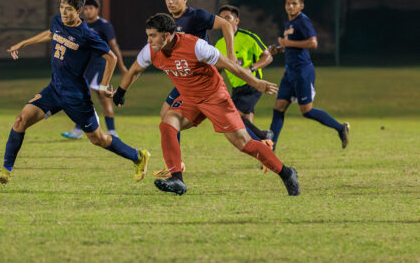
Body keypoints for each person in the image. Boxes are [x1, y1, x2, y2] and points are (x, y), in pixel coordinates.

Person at [113, 13, 300, 196]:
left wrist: (256, 82)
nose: (149, 40)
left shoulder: (196, 46)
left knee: (244, 143)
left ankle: (287, 173)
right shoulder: (151, 50)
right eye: (148, 35)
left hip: (214, 97)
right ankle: (177, 179)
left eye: (152, 36)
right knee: (168, 122)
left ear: (167, 35)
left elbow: (229, 65)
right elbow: (135, 69)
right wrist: (121, 92)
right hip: (190, 99)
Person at [0, 0, 149, 185]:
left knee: (98, 139)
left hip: (76, 96)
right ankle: (5, 172)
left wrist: (105, 85)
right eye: (62, 6)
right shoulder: (57, 21)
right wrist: (23, 44)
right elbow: (50, 33)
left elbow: (111, 57)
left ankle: (138, 156)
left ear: (78, 11)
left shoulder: (86, 35)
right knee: (21, 120)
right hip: (54, 89)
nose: (64, 11)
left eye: (69, 8)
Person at [153, 0, 237, 179]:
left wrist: (231, 57)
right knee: (166, 114)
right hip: (185, 79)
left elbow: (225, 25)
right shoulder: (169, 21)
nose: (170, 2)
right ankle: (175, 165)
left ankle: (176, 165)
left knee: (230, 128)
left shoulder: (196, 15)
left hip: (200, 79)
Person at [268, 0, 349, 150]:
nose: (290, 6)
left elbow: (313, 43)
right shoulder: (289, 23)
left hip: (302, 72)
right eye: (288, 3)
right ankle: (270, 149)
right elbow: (291, 45)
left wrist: (288, 44)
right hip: (289, 72)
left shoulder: (303, 21)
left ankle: (340, 128)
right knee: (278, 108)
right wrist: (279, 49)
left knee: (307, 111)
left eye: (294, 4)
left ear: (301, 6)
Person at [61, 0, 128, 139]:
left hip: (100, 66)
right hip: (85, 66)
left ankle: (111, 131)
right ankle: (79, 129)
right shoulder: (81, 25)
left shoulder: (104, 26)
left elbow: (114, 46)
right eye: (85, 8)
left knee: (102, 97)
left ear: (97, 10)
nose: (88, 11)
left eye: (91, 8)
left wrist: (121, 66)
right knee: (82, 96)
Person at [214, 5, 274, 142]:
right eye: (221, 19)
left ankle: (264, 136)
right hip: (236, 88)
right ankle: (264, 146)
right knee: (245, 129)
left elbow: (268, 57)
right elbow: (218, 69)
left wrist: (251, 69)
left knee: (232, 117)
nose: (224, 21)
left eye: (227, 18)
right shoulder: (219, 44)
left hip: (252, 85)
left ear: (236, 21)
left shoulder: (248, 37)